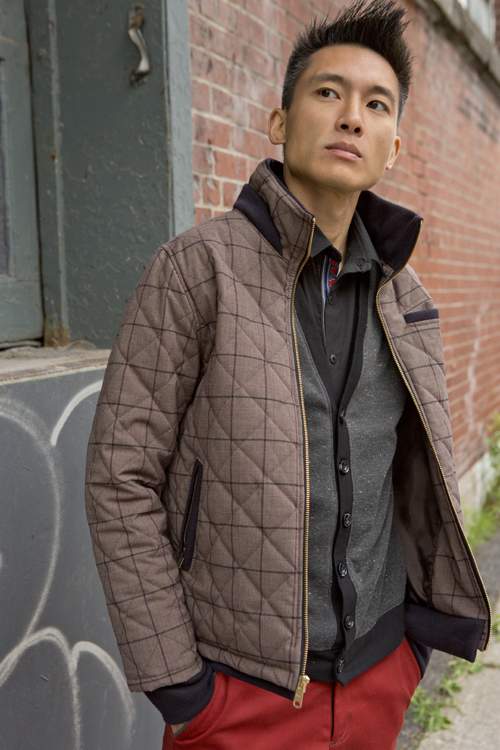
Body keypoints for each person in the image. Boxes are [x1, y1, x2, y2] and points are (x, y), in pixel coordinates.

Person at [85, 1, 491, 748]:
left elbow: (412, 475)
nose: (351, 117)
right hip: (239, 692)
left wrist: (411, 651)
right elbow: (121, 475)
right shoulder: (196, 270)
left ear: (393, 147)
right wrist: (182, 688)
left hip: (380, 677)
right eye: (327, 92)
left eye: (376, 105)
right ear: (279, 122)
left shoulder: (406, 299)